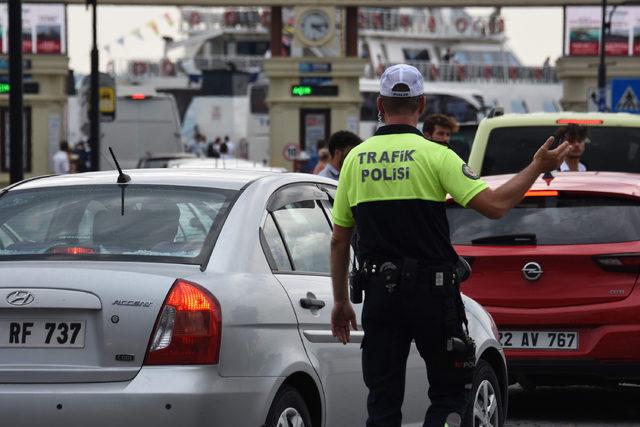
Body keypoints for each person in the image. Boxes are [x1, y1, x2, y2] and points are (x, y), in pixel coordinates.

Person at [329, 64, 570, 427]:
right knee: (448, 394)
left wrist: (341, 302)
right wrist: (536, 166)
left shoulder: (353, 162)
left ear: (380, 104)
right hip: (432, 294)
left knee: (382, 400)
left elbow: (339, 239)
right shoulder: (436, 155)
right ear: (421, 104)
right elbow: (496, 206)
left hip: (379, 295)